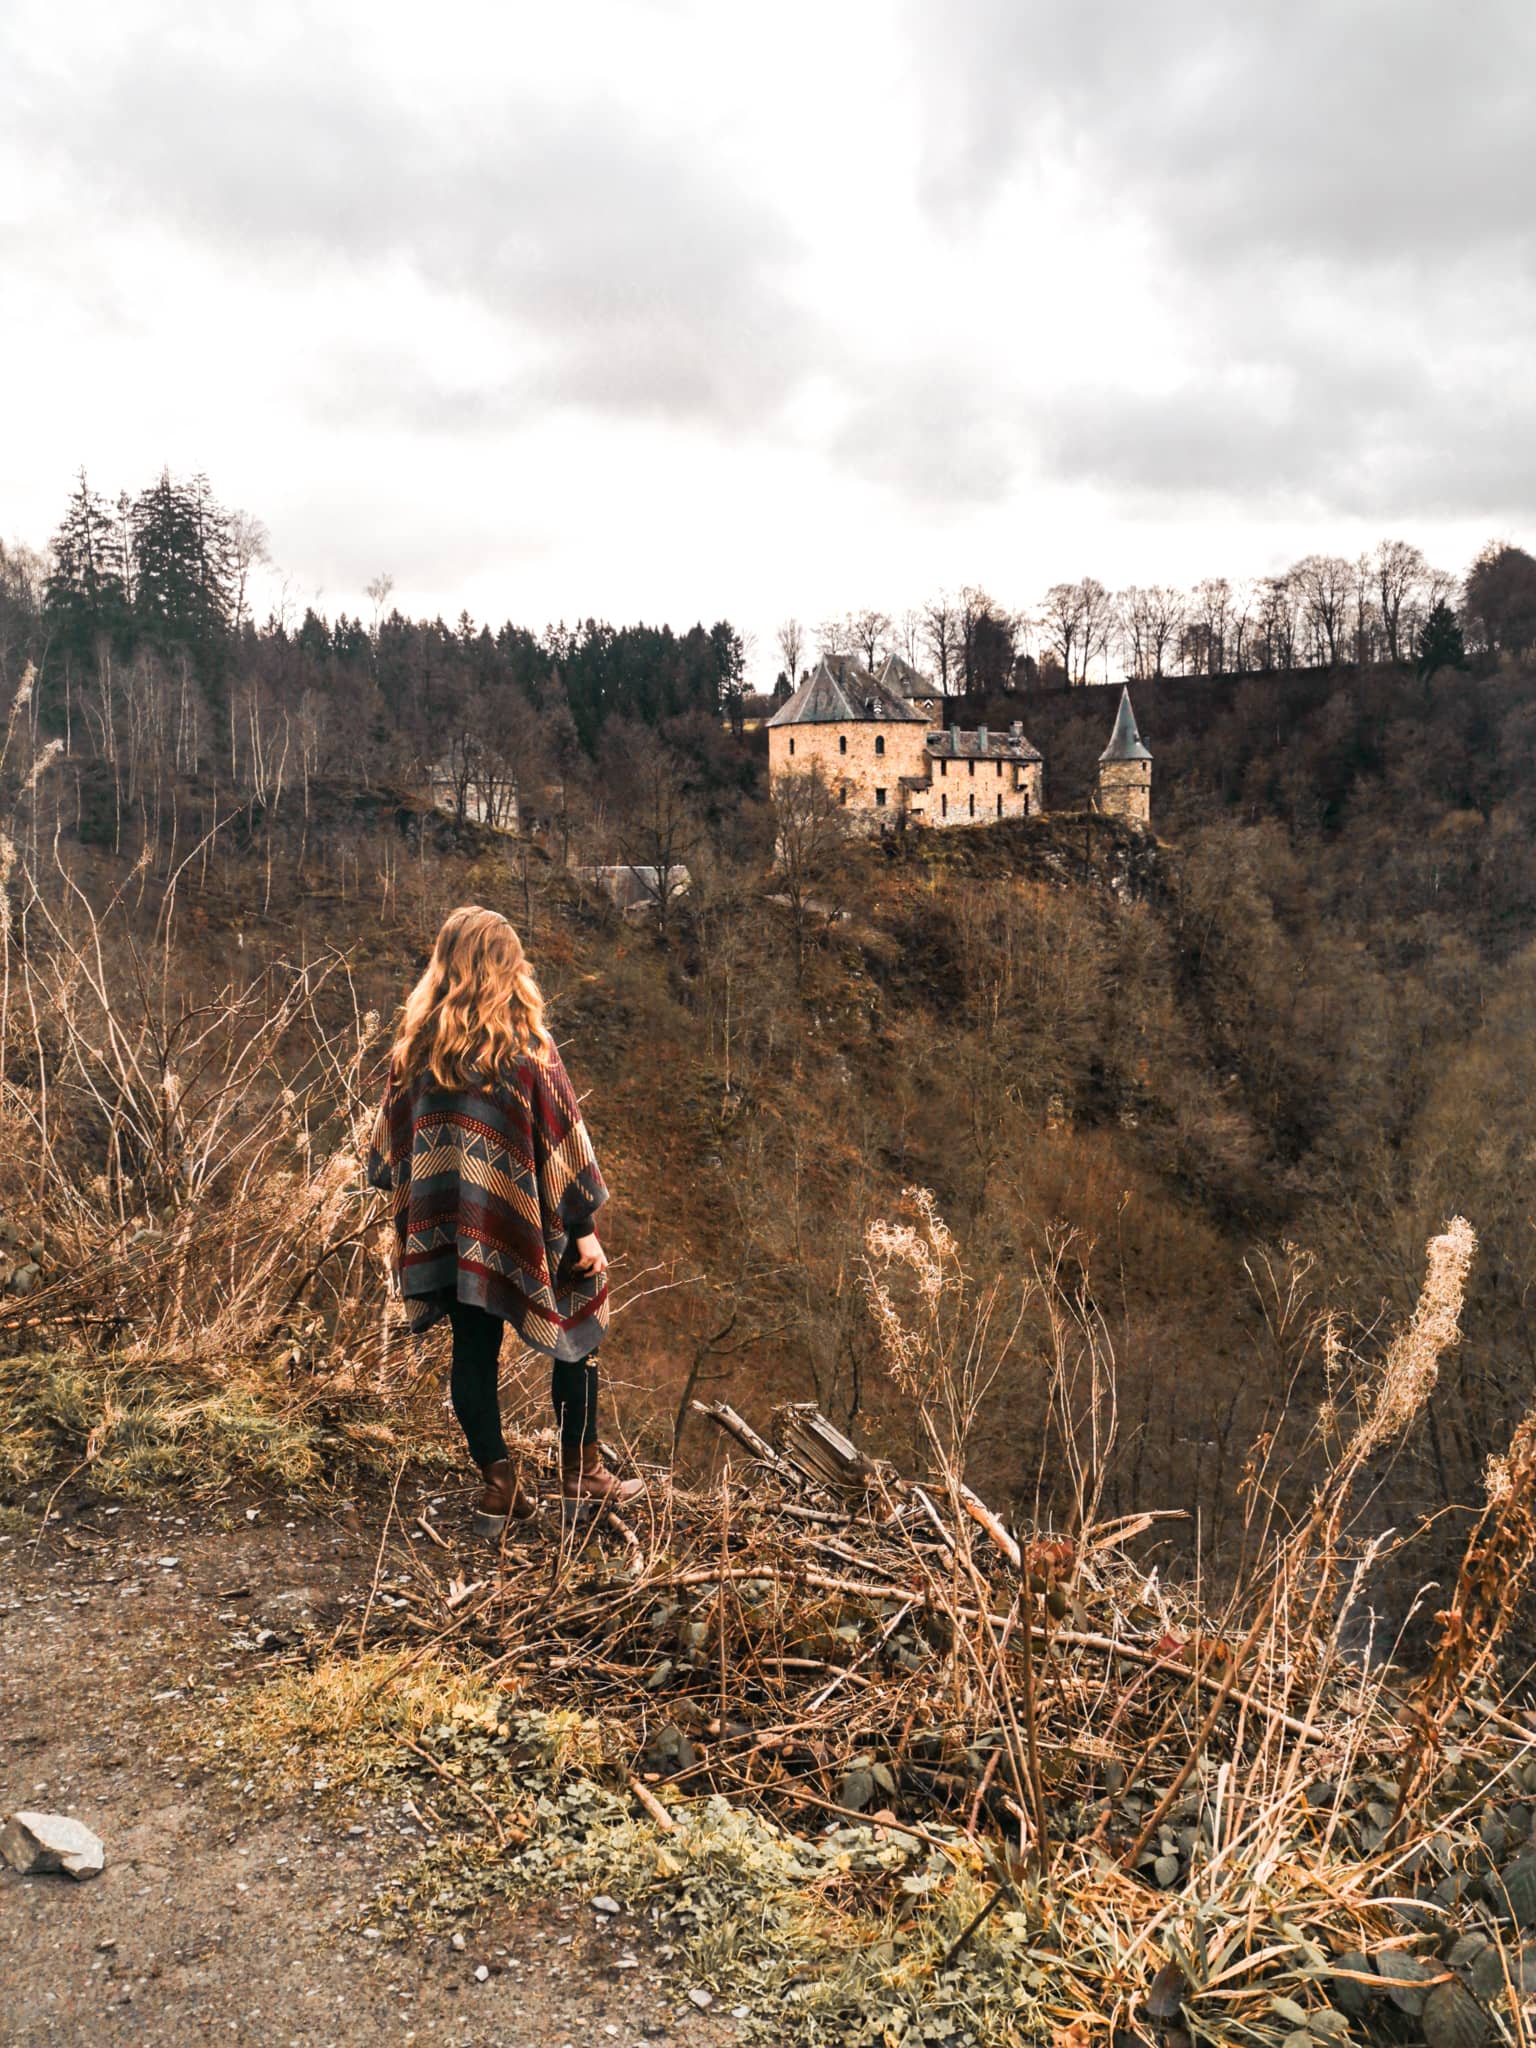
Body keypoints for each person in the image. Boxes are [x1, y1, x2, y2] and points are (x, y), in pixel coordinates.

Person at [368, 905, 643, 1534]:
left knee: (472, 1348)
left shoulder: (412, 1053)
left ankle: (500, 1487)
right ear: (505, 970)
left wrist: (435, 1206)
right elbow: (563, 1146)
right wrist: (582, 1234)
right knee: (581, 1307)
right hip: (519, 1225)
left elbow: (387, 1155)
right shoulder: (528, 1052)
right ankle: (582, 1475)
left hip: (447, 1231)